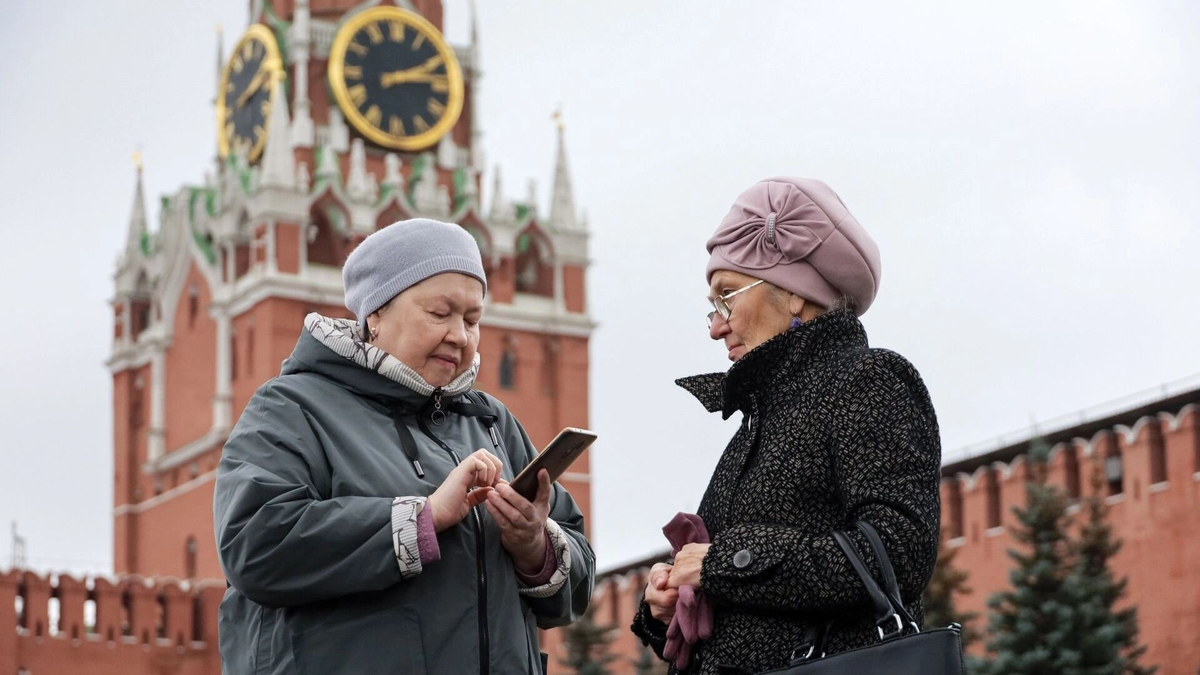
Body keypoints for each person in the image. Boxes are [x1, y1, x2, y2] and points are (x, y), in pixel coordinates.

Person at [214, 218, 594, 675]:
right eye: (439, 313)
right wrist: (423, 518)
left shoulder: (490, 422)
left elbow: (578, 583)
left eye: (472, 320)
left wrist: (533, 544)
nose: (460, 335)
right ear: (375, 314)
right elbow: (255, 544)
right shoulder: (293, 407)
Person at [632, 178, 942, 674]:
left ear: (796, 295)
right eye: (712, 307)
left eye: (727, 296)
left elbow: (899, 551)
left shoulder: (867, 380)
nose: (716, 326)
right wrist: (668, 601)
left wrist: (722, 563)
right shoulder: (760, 419)